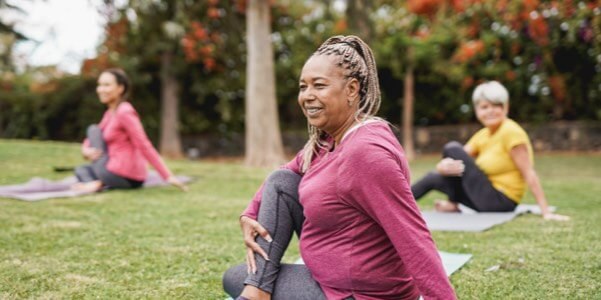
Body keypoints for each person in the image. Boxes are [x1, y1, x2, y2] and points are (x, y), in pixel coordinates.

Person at [223, 36, 456, 300]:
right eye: (303, 87)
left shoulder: (366, 153)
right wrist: (248, 214)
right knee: (281, 182)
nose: (307, 96)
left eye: (319, 85)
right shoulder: (328, 141)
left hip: (360, 294)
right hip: (329, 279)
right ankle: (257, 290)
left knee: (236, 277)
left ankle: (255, 291)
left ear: (352, 89)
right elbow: (283, 175)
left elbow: (413, 236)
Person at [411, 81, 569, 221]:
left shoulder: (511, 132)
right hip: (482, 196)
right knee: (433, 177)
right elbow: (459, 158)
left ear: (505, 108)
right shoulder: (483, 135)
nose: (491, 111)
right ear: (477, 110)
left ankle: (452, 203)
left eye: (496, 106)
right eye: (485, 107)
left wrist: (546, 212)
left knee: (451, 147)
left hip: (501, 200)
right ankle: (393, 208)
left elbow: (529, 172)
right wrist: (442, 167)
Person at [73, 68, 187, 192]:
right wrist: (85, 150)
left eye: (106, 85)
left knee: (92, 129)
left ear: (120, 88)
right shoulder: (110, 113)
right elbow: (92, 137)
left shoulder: (124, 111)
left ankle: (97, 183)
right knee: (81, 169)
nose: (100, 89)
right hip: (113, 171)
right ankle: (97, 183)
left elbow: (144, 144)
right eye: (99, 85)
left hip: (124, 175)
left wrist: (167, 175)